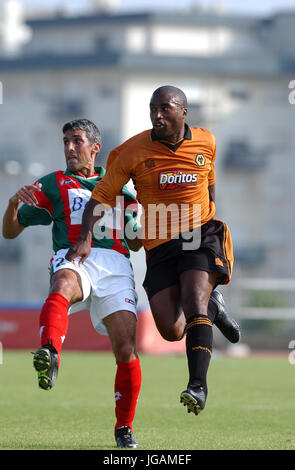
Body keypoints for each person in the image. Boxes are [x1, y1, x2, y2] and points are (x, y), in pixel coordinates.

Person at [66, 87, 240, 417]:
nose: (157, 115)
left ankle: (197, 386)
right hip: (159, 242)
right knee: (172, 329)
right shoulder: (130, 152)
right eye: (152, 109)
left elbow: (210, 184)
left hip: (197, 234)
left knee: (193, 299)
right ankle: (213, 308)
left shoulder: (207, 141)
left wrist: (207, 215)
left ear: (184, 112)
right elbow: (100, 198)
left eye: (165, 108)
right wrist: (86, 237)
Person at [2, 118, 142, 448]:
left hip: (116, 266)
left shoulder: (120, 187)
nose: (69, 148)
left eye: (76, 141)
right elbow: (10, 232)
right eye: (65, 141)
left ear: (95, 148)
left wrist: (138, 221)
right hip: (74, 253)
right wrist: (12, 204)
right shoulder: (53, 184)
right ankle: (50, 353)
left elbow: (136, 243)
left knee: (126, 349)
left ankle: (124, 428)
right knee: (62, 283)